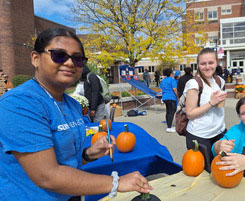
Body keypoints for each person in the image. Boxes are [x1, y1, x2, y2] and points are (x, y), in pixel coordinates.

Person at [0, 27, 152, 201]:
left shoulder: (71, 104)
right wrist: (116, 182)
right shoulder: (19, 104)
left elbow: (66, 160)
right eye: (59, 55)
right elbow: (46, 176)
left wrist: (89, 154)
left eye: (78, 59)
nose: (70, 63)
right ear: (35, 58)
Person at [183, 48, 227, 168]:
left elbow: (220, 107)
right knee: (203, 174)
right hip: (200, 136)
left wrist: (219, 101)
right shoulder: (194, 83)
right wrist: (211, 103)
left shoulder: (220, 81)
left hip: (219, 133)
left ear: (216, 63)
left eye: (211, 63)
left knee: (220, 169)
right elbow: (190, 113)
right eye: (203, 64)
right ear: (198, 65)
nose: (207, 67)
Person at [160, 68, 177, 133]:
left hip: (165, 98)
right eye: (172, 73)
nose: (173, 74)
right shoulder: (172, 80)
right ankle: (169, 127)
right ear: (170, 74)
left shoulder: (163, 80)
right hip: (171, 97)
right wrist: (177, 96)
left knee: (168, 111)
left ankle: (169, 126)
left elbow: (161, 89)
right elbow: (174, 89)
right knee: (172, 111)